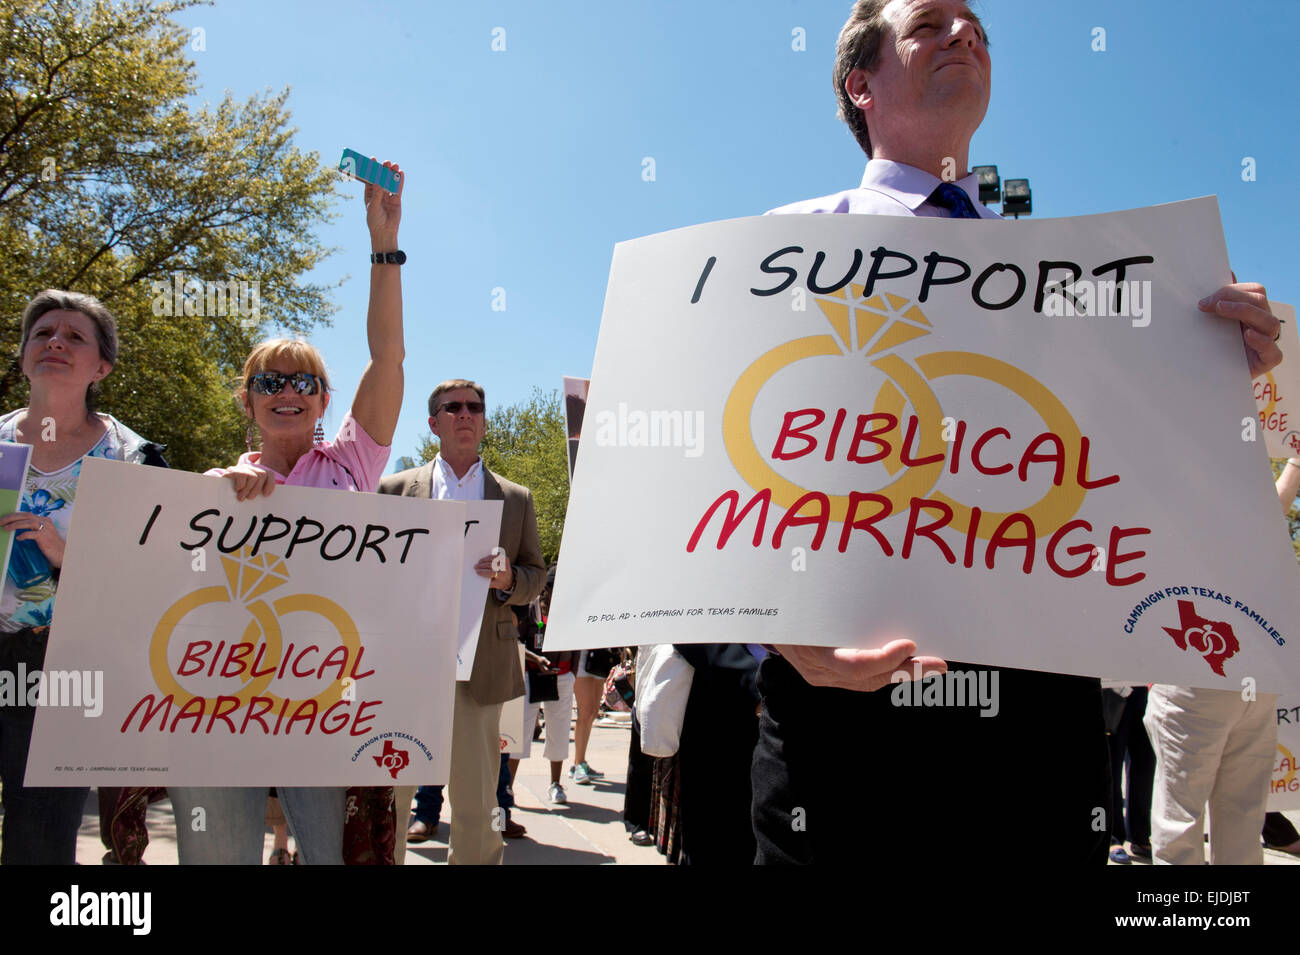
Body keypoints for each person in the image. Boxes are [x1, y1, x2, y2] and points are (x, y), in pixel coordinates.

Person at [750, 0, 1284, 865]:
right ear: (862, 83)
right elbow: (707, 469)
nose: (964, 34)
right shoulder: (780, 248)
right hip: (841, 733)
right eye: (929, 23)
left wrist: (1211, 374)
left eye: (978, 28)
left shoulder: (1082, 278)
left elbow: (1131, 463)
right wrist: (776, 627)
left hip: (1041, 734)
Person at [168, 160, 405, 865]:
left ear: (325, 399)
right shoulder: (211, 489)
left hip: (326, 696)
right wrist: (221, 507)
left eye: (304, 379)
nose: (287, 389)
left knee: (333, 856)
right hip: (218, 702)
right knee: (218, 858)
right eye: (270, 379)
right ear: (248, 398)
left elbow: (388, 355)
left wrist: (383, 243)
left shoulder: (351, 465)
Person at [0, 288, 168, 865]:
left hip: (67, 672)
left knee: (39, 842)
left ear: (102, 366)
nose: (55, 343)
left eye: (75, 337)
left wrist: (66, 553)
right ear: (23, 355)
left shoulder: (134, 459)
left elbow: (156, 581)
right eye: (43, 333)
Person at [380, 379, 545, 865]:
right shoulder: (394, 489)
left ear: (484, 420)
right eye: (453, 408)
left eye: (475, 407)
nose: (465, 414)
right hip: (406, 668)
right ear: (434, 423)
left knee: (476, 805)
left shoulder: (515, 498)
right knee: (389, 799)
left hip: (480, 666)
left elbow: (536, 575)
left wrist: (509, 577)